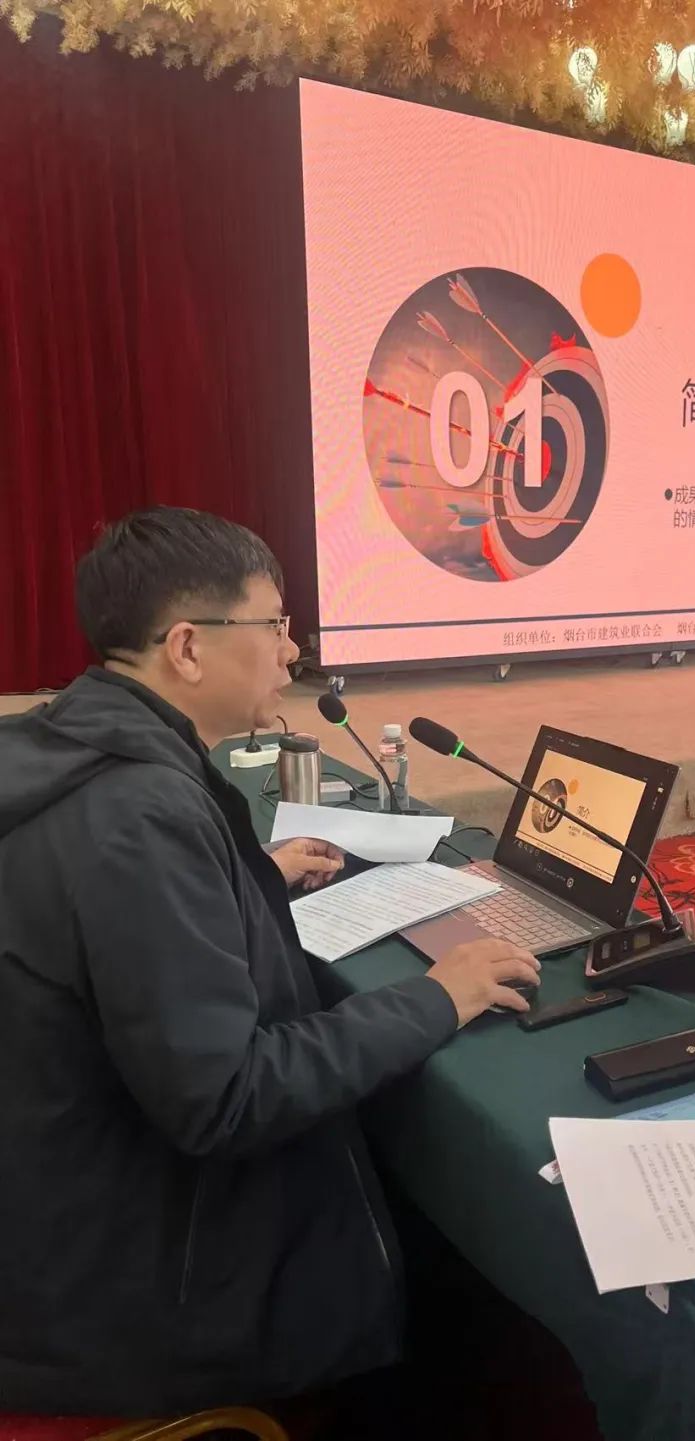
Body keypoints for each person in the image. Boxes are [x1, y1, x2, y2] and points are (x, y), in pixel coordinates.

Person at [0, 507, 540, 1419]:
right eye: (274, 624)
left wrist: (247, 879)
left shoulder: (78, 748)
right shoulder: (138, 819)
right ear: (187, 647)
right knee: (455, 1283)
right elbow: (228, 1097)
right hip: (120, 1284)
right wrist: (435, 997)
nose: (293, 651)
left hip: (68, 1204)